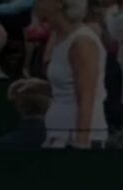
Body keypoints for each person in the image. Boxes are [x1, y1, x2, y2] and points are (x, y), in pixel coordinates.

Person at [38, 0, 108, 148]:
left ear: (59, 4)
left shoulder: (82, 42)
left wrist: (81, 145)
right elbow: (66, 88)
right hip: (58, 134)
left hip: (75, 139)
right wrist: (37, 86)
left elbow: (87, 98)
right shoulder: (59, 37)